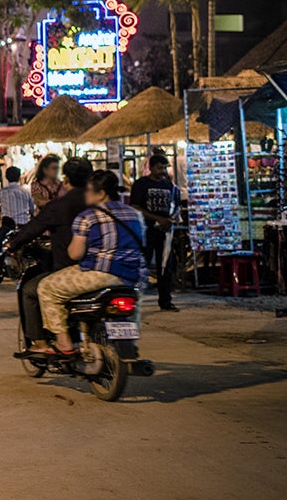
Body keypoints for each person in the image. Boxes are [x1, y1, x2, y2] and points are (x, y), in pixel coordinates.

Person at [35, 170, 146, 355]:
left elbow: (76, 254)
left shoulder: (88, 217)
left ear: (101, 193)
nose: (85, 194)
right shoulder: (135, 214)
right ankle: (129, 343)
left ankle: (63, 342)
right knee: (132, 305)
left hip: (101, 275)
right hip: (133, 276)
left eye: (89, 191)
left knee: (46, 288)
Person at [5, 157, 92, 348]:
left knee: (31, 290)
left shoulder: (60, 205)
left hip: (70, 269)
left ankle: (43, 343)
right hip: (108, 269)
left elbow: (33, 227)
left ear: (66, 180)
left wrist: (12, 244)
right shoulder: (102, 203)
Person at [129, 152, 182, 311]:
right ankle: (134, 298)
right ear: (151, 168)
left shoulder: (170, 186)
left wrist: (171, 219)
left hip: (165, 232)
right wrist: (156, 218)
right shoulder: (141, 185)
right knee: (141, 266)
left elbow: (176, 206)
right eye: (159, 168)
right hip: (146, 231)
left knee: (165, 267)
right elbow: (136, 207)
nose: (162, 171)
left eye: (165, 168)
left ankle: (165, 300)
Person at [0, 167, 36, 286]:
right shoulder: (26, 192)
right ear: (19, 176)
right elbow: (32, 210)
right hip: (24, 227)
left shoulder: (3, 192)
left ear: (6, 177)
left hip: (8, 226)